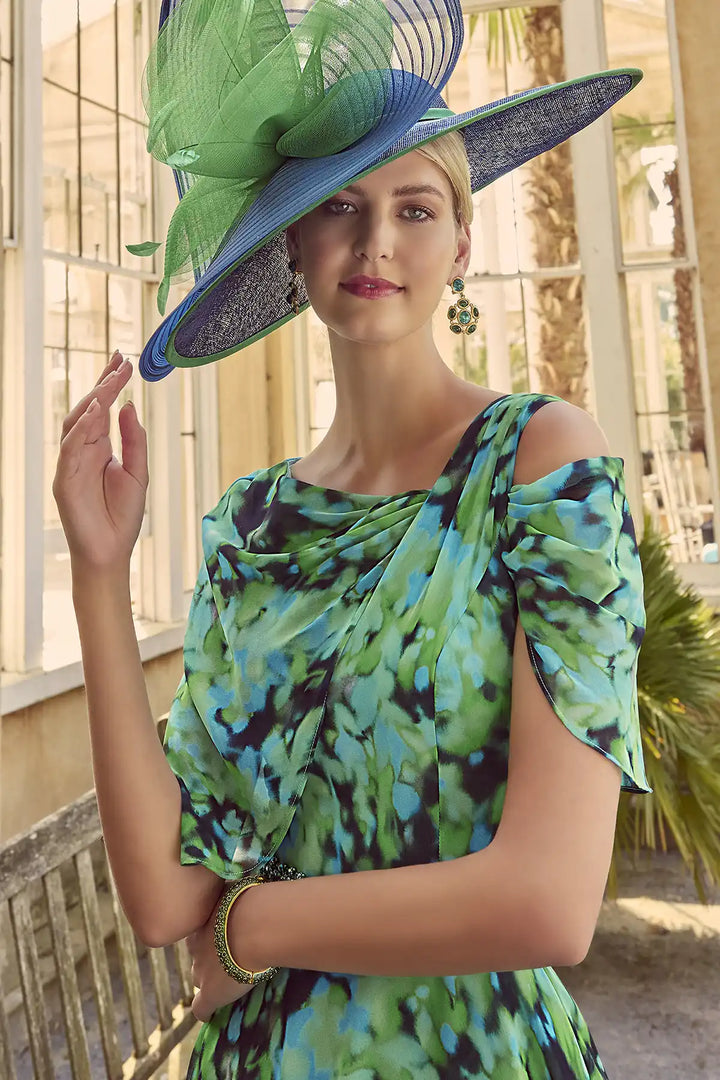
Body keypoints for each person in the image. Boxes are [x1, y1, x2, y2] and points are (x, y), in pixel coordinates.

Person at [53, 1, 653, 1076]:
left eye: (416, 208)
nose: (376, 240)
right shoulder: (251, 525)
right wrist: (101, 576)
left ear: (463, 242)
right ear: (293, 242)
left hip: (475, 1054)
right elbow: (163, 897)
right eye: (340, 205)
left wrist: (254, 929)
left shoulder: (542, 463)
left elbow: (550, 902)